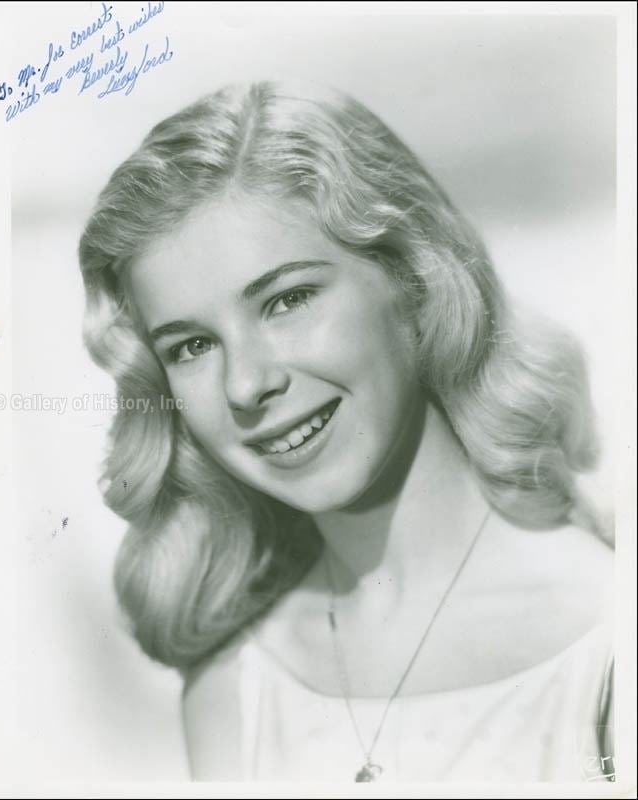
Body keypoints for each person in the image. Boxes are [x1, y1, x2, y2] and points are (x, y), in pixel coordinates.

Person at [78, 81, 614, 783]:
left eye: (287, 300)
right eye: (191, 347)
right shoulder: (232, 688)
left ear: (416, 279)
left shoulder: (604, 637)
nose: (246, 385)